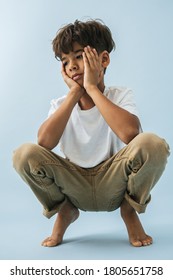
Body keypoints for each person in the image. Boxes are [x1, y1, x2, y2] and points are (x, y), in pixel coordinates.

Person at [13, 19, 170, 248]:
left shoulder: (120, 95)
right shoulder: (61, 104)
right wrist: (74, 95)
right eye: (65, 61)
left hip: (115, 181)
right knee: (23, 154)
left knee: (153, 144)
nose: (72, 66)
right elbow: (44, 143)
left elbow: (130, 133)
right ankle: (64, 211)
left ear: (103, 59)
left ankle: (129, 210)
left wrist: (93, 89)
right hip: (73, 183)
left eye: (78, 56)